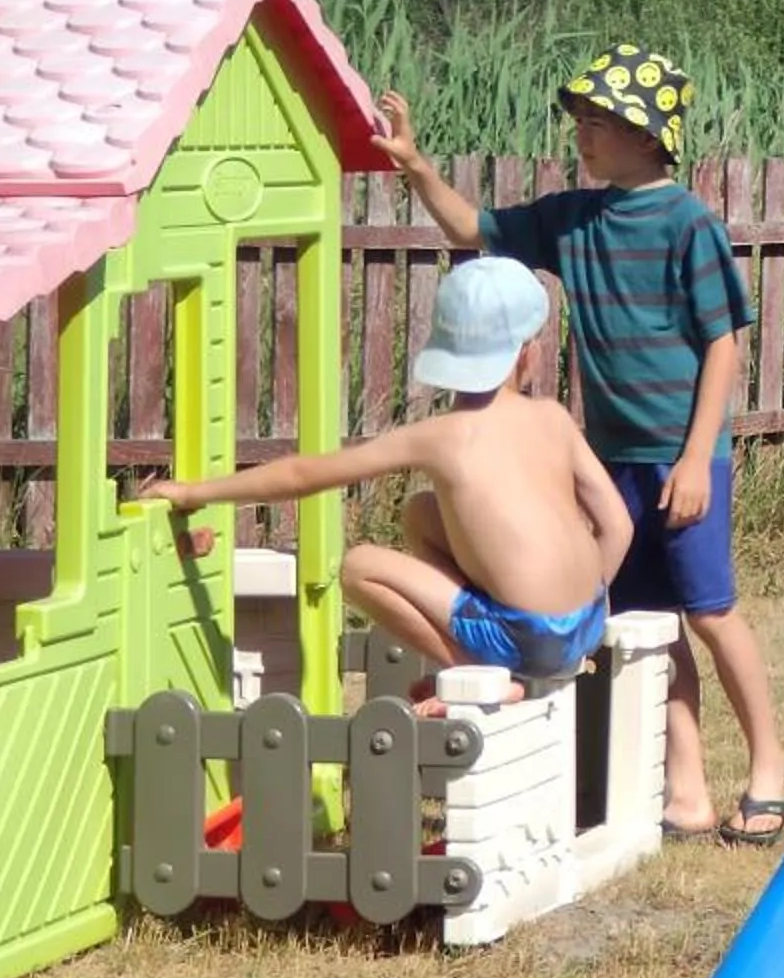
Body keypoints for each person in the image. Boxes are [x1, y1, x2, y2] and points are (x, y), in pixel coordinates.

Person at [375, 46, 784, 846]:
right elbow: (473, 229)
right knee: (642, 624)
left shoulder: (689, 225)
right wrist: (416, 165)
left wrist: (697, 456)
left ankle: (768, 766)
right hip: (612, 464)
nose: (583, 137)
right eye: (579, 123)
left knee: (711, 614)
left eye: (598, 124)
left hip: (682, 459)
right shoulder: (573, 219)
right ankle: (688, 790)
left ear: (647, 135)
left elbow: (724, 346)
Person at [145, 255, 633, 718]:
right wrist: (580, 607)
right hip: (586, 622)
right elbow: (617, 525)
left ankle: (472, 671)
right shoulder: (552, 417)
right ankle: (496, 655)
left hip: (523, 636)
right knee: (421, 512)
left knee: (359, 567)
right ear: (529, 353)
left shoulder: (440, 436)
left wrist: (193, 493)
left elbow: (302, 475)